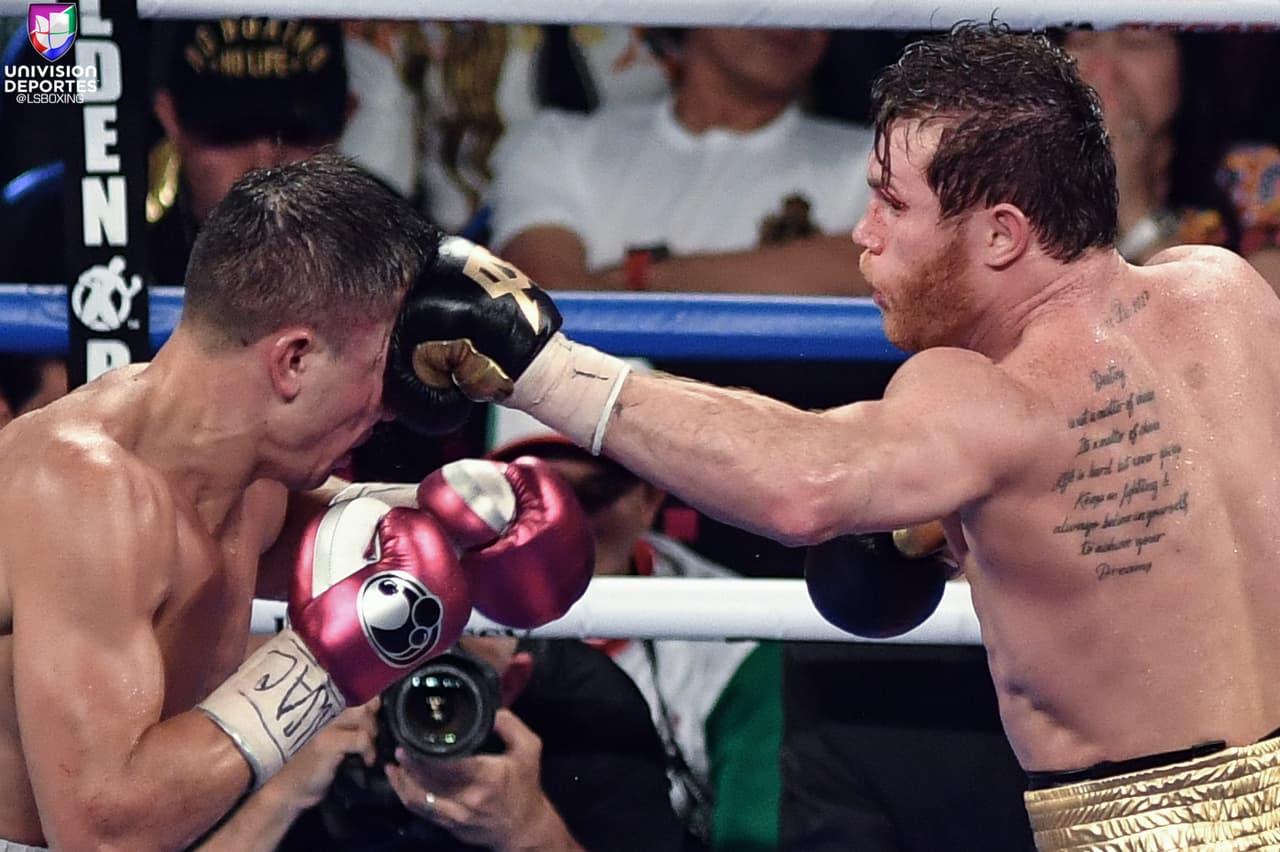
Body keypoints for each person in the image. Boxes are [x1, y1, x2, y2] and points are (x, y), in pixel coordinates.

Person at [390, 22, 1280, 850]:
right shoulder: (1224, 292)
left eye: (892, 203)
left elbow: (805, 485)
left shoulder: (986, 400)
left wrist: (541, 369)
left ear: (1001, 235)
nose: (862, 234)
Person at [0, 153, 592, 849]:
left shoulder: (248, 478)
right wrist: (320, 667)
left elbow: (366, 553)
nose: (390, 411)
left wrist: (474, 520)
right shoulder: (84, 493)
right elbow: (102, 833)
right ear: (294, 360)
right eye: (380, 374)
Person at [488, 418, 784, 851]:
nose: (560, 519)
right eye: (529, 495)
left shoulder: (736, 641)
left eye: (593, 494)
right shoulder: (437, 617)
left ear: (650, 498)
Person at [487, 26, 873, 296]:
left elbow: (870, 271)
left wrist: (639, 276)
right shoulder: (559, 142)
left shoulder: (878, 154)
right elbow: (549, 298)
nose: (790, 13)